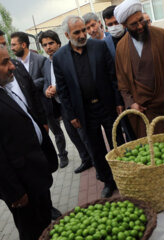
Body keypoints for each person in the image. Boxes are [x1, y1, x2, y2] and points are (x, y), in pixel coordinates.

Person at [0, 26, 63, 220]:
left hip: (34, 165)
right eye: (4, 60)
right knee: (32, 227)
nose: (12, 65)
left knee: (43, 215)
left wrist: (41, 125)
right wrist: (14, 191)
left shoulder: (2, 80)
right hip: (20, 180)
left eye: (4, 45)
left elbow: (31, 98)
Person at [53, 15, 124, 198]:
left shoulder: (99, 47)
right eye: (77, 32)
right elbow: (63, 89)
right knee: (96, 148)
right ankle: (108, 181)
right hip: (84, 112)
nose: (83, 34)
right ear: (67, 35)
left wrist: (118, 101)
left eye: (83, 30)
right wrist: (71, 115)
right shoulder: (60, 58)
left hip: (107, 106)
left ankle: (124, 175)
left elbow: (112, 77)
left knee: (117, 142)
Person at [114, 0, 164, 138]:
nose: (140, 26)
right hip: (145, 113)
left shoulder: (162, 36)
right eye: (134, 24)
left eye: (141, 20)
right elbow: (122, 83)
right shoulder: (121, 47)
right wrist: (131, 103)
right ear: (124, 25)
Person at [11, 31, 71, 169]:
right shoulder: (15, 64)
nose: (12, 47)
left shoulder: (39, 59)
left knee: (56, 131)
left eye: (14, 44)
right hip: (30, 107)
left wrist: (30, 85)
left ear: (23, 44)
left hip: (44, 103)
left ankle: (62, 155)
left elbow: (46, 79)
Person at [39, 30, 94, 173]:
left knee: (84, 134)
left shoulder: (66, 57)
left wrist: (58, 88)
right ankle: (85, 159)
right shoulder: (46, 63)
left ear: (58, 43)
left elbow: (75, 79)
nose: (48, 47)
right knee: (73, 135)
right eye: (44, 45)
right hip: (60, 106)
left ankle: (96, 160)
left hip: (74, 103)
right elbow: (46, 81)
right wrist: (47, 90)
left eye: (51, 43)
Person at [102, 5, 137, 141]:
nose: (114, 27)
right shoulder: (104, 44)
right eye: (110, 24)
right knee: (130, 132)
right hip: (121, 97)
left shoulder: (134, 36)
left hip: (141, 91)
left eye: (116, 23)